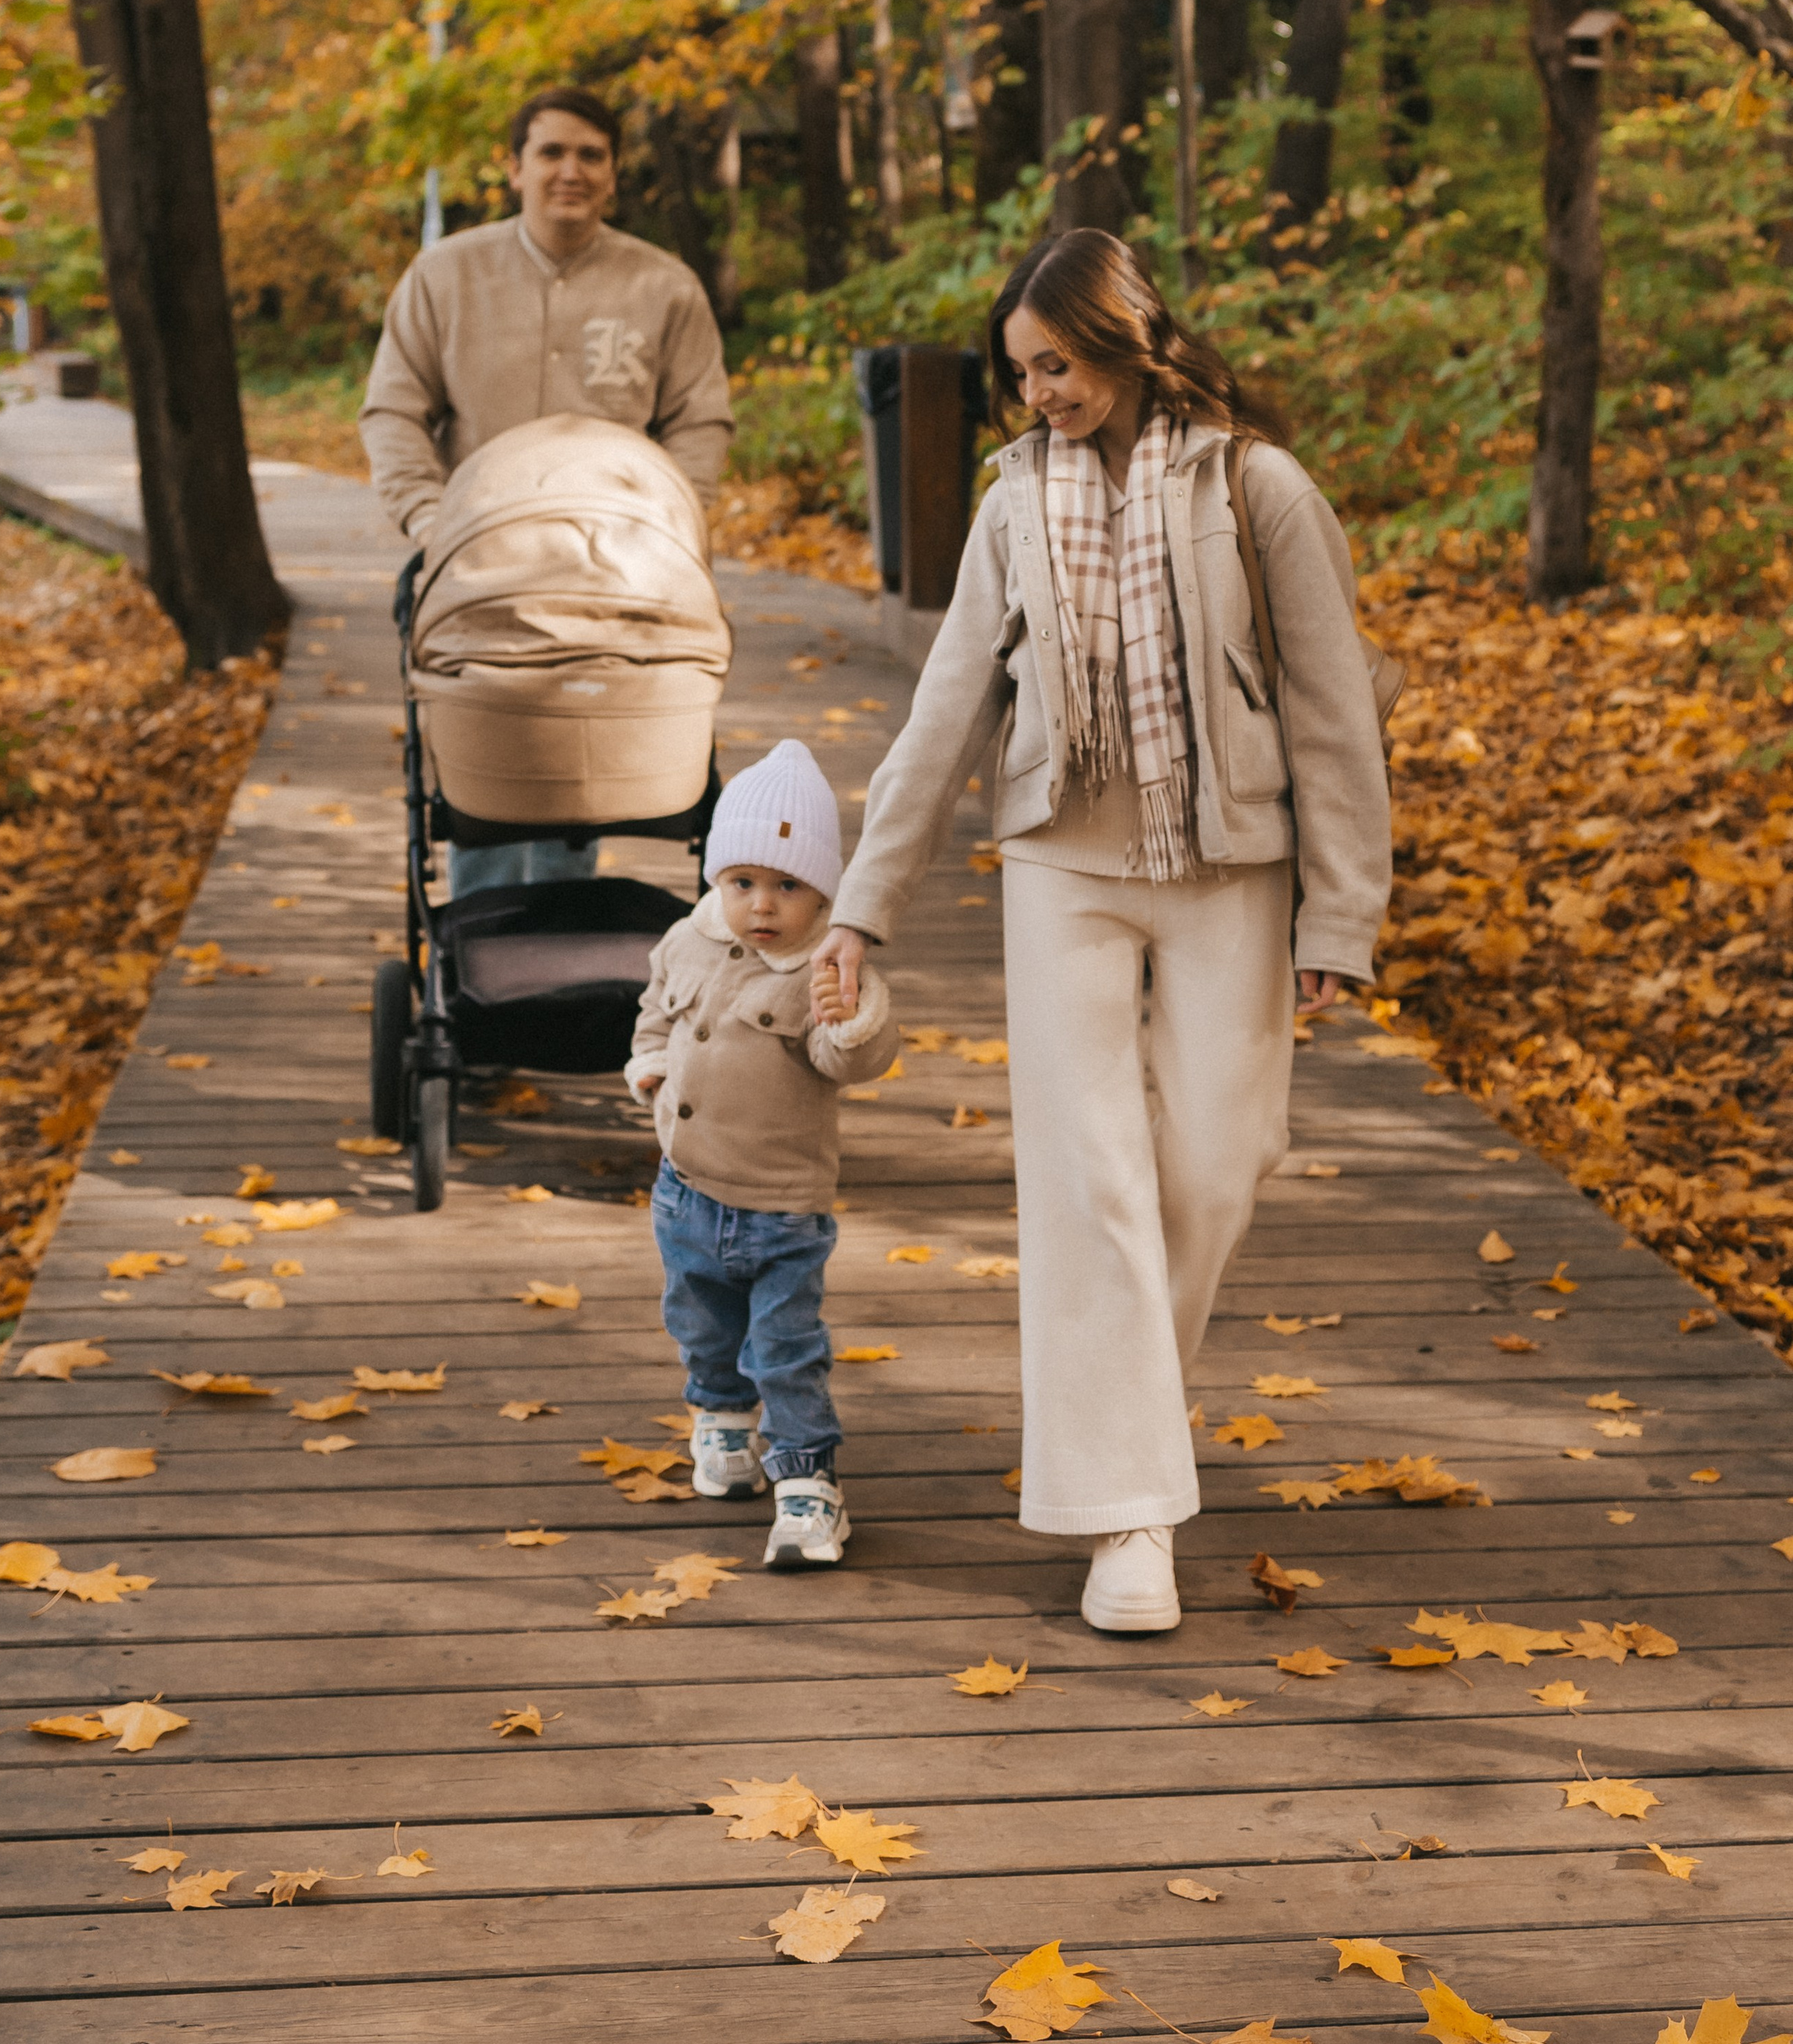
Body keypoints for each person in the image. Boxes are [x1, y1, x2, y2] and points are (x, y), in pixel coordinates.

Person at [813, 230, 1392, 1634]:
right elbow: (946, 708)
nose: (1039, 395)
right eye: (1020, 373)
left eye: (1056, 364)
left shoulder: (1261, 485)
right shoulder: (1015, 503)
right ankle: (1127, 1516)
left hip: (1232, 867)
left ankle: (1125, 1420)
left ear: (1127, 337)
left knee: (1214, 1164)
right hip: (1061, 861)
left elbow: (1334, 711)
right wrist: (862, 906)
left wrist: (1345, 913)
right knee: (1089, 1184)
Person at [361, 84, 733, 890]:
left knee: (581, 772)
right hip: (477, 574)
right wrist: (431, 520)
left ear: (614, 174)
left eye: (590, 156)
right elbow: (393, 409)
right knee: (486, 774)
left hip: (617, 575)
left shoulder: (664, 287)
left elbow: (700, 422)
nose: (571, 171)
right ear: (514, 167)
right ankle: (483, 948)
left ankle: (565, 953)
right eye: (552, 152)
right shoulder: (444, 277)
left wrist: (671, 526)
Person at [625, 740, 899, 1569]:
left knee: (784, 1350)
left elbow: (850, 1059)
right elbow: (655, 1014)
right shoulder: (686, 941)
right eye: (742, 883)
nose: (763, 905)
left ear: (825, 893)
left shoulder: (825, 969)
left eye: (788, 886)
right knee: (701, 1327)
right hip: (684, 1194)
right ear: (716, 881)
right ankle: (721, 1426)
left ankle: (808, 1484)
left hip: (781, 1209)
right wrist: (650, 1071)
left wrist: (848, 1019)